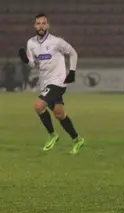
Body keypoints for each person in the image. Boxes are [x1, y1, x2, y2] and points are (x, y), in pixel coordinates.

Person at [18, 13, 85, 154]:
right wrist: (26, 60)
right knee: (60, 114)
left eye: (43, 23)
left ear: (47, 25)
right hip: (45, 83)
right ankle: (77, 139)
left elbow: (73, 53)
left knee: (38, 106)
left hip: (58, 82)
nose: (41, 26)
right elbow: (33, 64)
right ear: (34, 26)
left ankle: (52, 135)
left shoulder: (56, 42)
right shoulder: (31, 43)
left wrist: (72, 72)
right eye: (38, 23)